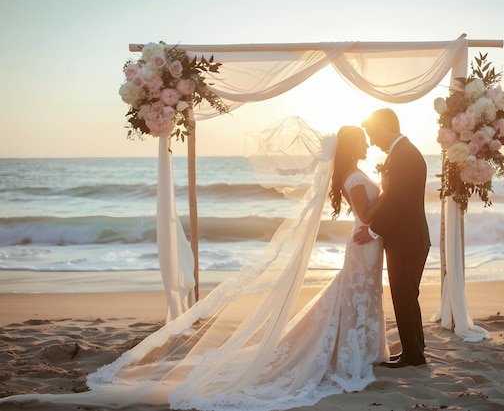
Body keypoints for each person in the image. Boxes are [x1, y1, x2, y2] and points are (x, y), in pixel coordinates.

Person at [0, 119, 390, 411]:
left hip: (366, 246)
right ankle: (349, 355)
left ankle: (355, 350)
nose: (370, 143)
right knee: (351, 298)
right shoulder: (355, 177)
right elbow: (366, 214)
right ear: (354, 145)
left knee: (352, 299)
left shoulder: (353, 174)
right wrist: (387, 195)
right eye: (365, 139)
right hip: (364, 244)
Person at [354, 108, 431, 368]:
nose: (373, 142)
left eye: (373, 135)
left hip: (407, 241)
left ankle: (413, 355)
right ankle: (414, 351)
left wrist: (374, 231)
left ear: (385, 129)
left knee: (404, 296)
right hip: (408, 239)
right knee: (406, 296)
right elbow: (397, 194)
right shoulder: (401, 154)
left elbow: (399, 202)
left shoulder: (404, 156)